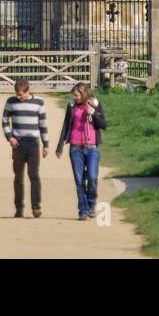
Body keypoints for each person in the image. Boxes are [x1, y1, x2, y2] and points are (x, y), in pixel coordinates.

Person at [55, 83, 107, 220]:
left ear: (84, 94)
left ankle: (91, 205)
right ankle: (83, 210)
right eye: (74, 95)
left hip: (92, 148)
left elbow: (103, 125)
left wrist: (93, 113)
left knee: (92, 177)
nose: (75, 97)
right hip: (75, 148)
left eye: (77, 95)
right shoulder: (72, 106)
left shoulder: (95, 105)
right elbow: (66, 125)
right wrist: (60, 146)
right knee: (79, 181)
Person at [2, 78, 49, 218]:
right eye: (16, 93)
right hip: (17, 143)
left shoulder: (39, 102)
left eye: (20, 94)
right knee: (18, 176)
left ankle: (36, 207)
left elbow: (43, 125)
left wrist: (46, 144)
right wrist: (10, 137)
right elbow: (4, 121)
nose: (18, 96)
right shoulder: (11, 102)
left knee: (34, 175)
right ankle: (19, 208)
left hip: (33, 143)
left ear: (28, 91)